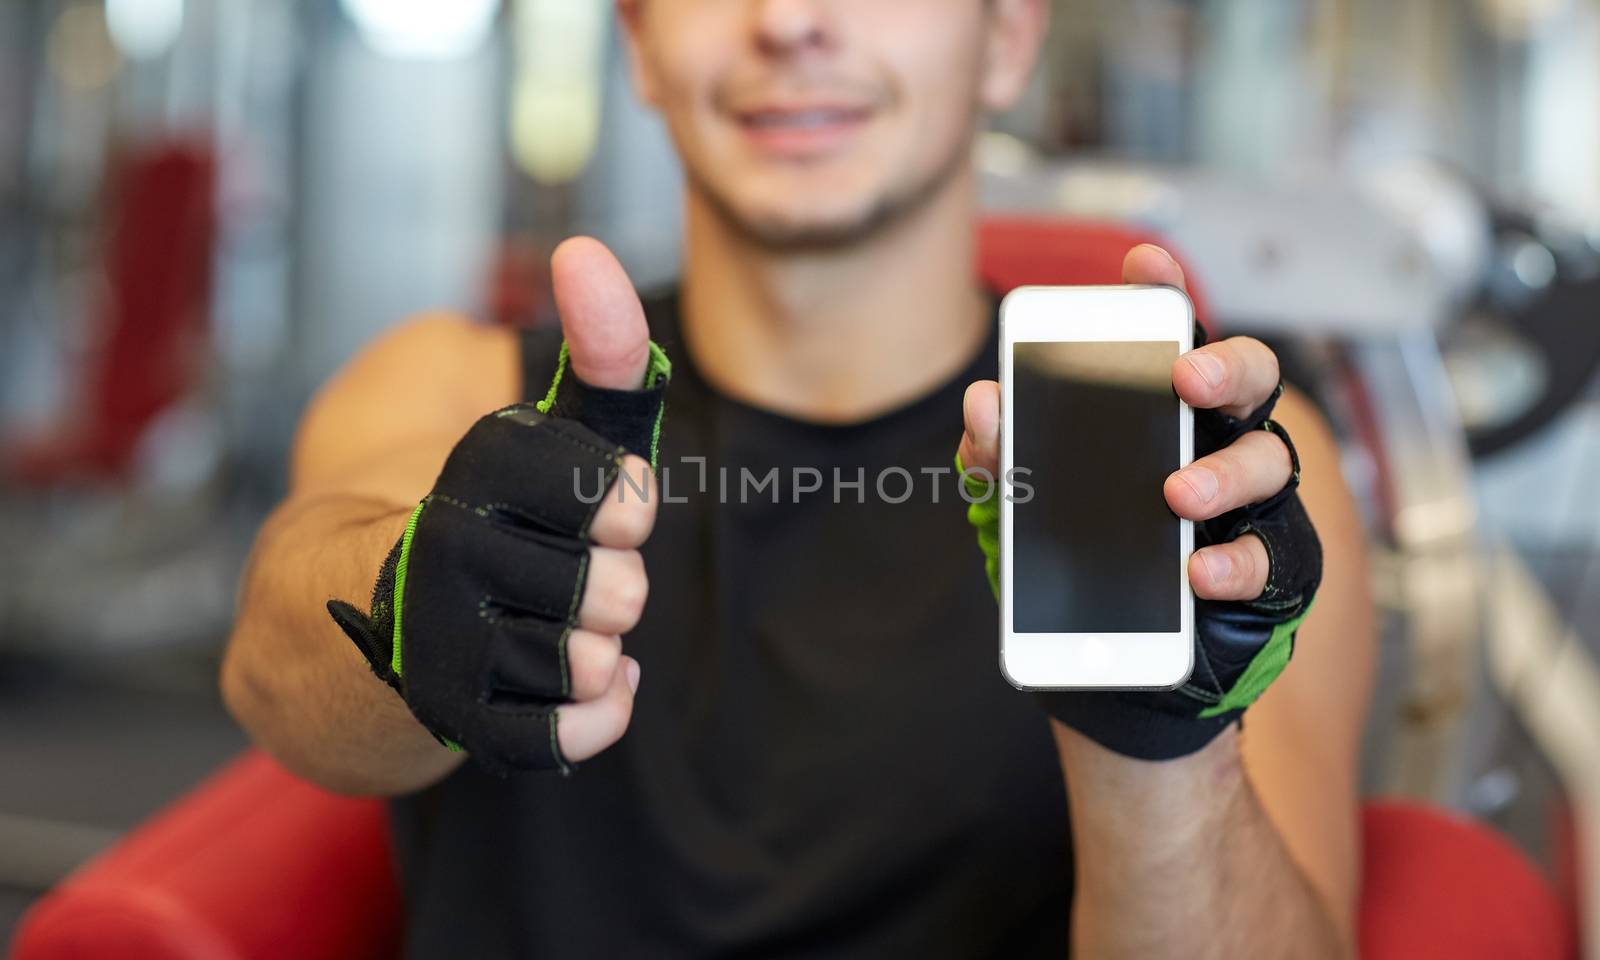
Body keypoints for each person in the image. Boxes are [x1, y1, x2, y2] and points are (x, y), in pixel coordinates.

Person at [221, 1, 1376, 956]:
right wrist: (420, 597)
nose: (790, 22)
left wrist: (1161, 751)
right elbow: (276, 671)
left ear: (1006, 40)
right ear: (638, 44)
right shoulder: (452, 384)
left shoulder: (1221, 485)